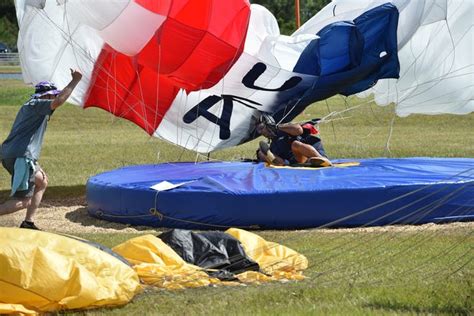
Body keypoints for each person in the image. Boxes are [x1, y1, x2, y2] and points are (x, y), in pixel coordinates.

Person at [0, 69, 82, 230]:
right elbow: (58, 101)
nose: (54, 98)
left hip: (17, 155)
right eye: (52, 95)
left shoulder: (31, 106)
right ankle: (27, 221)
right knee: (22, 201)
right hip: (22, 157)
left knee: (42, 182)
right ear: (45, 96)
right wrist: (75, 80)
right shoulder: (37, 105)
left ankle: (28, 222)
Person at [256, 113, 332, 167]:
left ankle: (322, 160)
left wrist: (277, 127)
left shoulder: (285, 129)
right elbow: (284, 163)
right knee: (262, 152)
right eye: (258, 130)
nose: (260, 132)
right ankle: (270, 157)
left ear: (269, 123)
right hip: (300, 161)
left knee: (295, 144)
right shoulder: (273, 145)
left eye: (261, 128)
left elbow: (299, 130)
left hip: (310, 154)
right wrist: (263, 153)